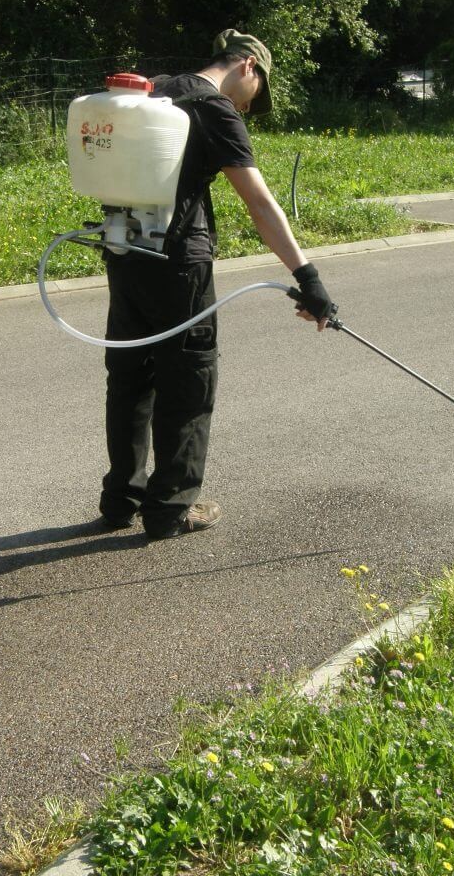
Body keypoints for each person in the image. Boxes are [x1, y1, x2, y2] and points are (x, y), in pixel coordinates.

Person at [99, 28, 336, 540]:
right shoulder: (215, 109)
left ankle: (122, 500)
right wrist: (307, 277)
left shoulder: (155, 91)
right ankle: (171, 509)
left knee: (130, 379)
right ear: (248, 66)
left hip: (124, 252)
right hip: (179, 263)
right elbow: (259, 203)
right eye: (258, 95)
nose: (251, 108)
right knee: (189, 381)